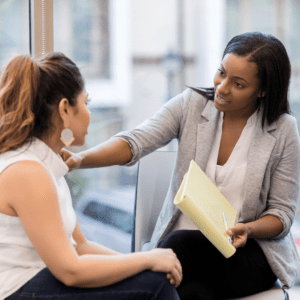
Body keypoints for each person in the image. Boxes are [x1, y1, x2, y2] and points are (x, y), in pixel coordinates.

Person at [62, 32, 300, 300]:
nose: (222, 87)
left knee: (175, 247)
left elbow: (281, 215)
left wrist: (249, 228)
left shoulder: (283, 130)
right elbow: (136, 141)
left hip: (243, 255)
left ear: (263, 90)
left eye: (239, 84)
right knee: (193, 292)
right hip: (186, 258)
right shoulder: (192, 104)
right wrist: (80, 159)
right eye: (221, 73)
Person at [0, 53, 183, 300]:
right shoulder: (28, 172)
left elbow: (82, 247)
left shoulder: (45, 166)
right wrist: (147, 260)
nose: (88, 112)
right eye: (86, 102)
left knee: (154, 277)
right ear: (65, 109)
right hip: (19, 291)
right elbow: (71, 271)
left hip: (38, 283)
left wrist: (147, 262)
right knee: (155, 285)